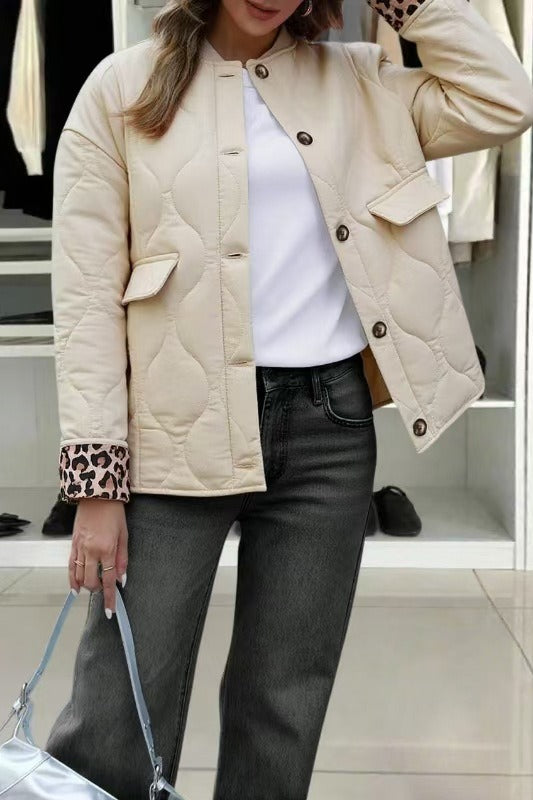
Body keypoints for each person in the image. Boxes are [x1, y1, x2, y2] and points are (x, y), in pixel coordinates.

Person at [45, 0, 533, 798]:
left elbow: (504, 98)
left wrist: (405, 4)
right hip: (175, 425)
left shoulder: (362, 80)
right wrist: (97, 482)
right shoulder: (121, 88)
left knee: (284, 698)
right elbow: (87, 297)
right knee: (118, 702)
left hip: (327, 429)